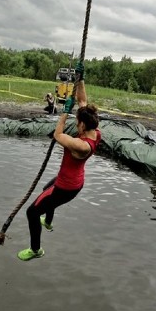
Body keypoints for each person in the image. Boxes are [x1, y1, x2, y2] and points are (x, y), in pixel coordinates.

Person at [19, 62, 101, 261]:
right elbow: (83, 101)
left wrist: (64, 112)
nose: (76, 125)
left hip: (67, 187)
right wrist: (80, 79)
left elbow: (58, 134)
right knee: (46, 191)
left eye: (77, 123)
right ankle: (47, 222)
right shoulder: (95, 130)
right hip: (72, 179)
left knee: (31, 212)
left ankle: (36, 249)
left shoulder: (82, 145)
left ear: (82, 125)